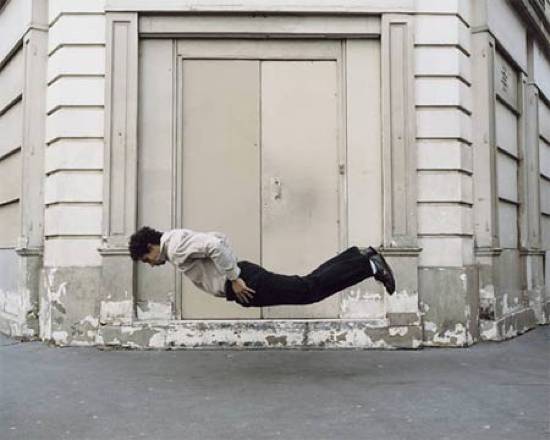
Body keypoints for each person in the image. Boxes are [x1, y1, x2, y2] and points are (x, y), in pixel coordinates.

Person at [129, 227, 395, 307]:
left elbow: (214, 244)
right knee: (308, 285)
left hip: (245, 282)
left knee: (308, 290)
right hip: (243, 280)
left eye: (146, 260)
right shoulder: (176, 240)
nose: (150, 265)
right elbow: (218, 238)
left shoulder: (175, 247)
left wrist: (234, 278)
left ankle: (367, 264)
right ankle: (358, 256)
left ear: (150, 247)